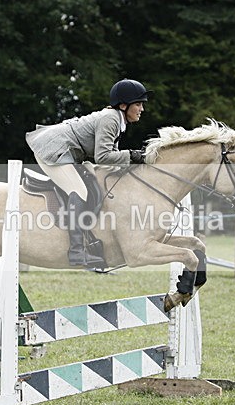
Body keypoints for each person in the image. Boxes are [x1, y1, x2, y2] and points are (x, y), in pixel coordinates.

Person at [26, 78, 152, 267]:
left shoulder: (116, 120)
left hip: (71, 153)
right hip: (54, 150)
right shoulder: (111, 119)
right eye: (138, 104)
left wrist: (132, 161)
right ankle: (76, 251)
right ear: (124, 105)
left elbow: (111, 159)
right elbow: (103, 156)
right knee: (79, 191)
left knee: (95, 180)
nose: (142, 109)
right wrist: (133, 156)